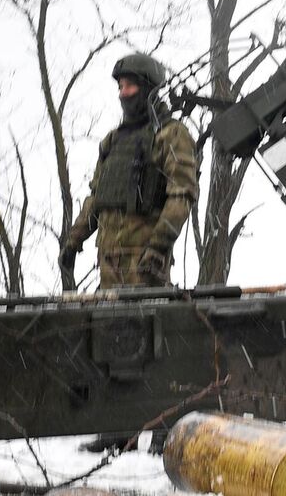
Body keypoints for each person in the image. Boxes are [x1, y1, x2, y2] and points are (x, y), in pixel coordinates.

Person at [62, 52, 199, 453]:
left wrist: (159, 247)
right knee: (113, 344)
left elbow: (182, 194)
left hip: (145, 259)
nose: (124, 93)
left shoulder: (171, 134)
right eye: (119, 86)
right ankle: (121, 427)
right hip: (110, 260)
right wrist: (74, 240)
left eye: (131, 85)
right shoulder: (113, 140)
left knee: (154, 343)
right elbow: (98, 198)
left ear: (150, 88)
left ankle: (164, 427)